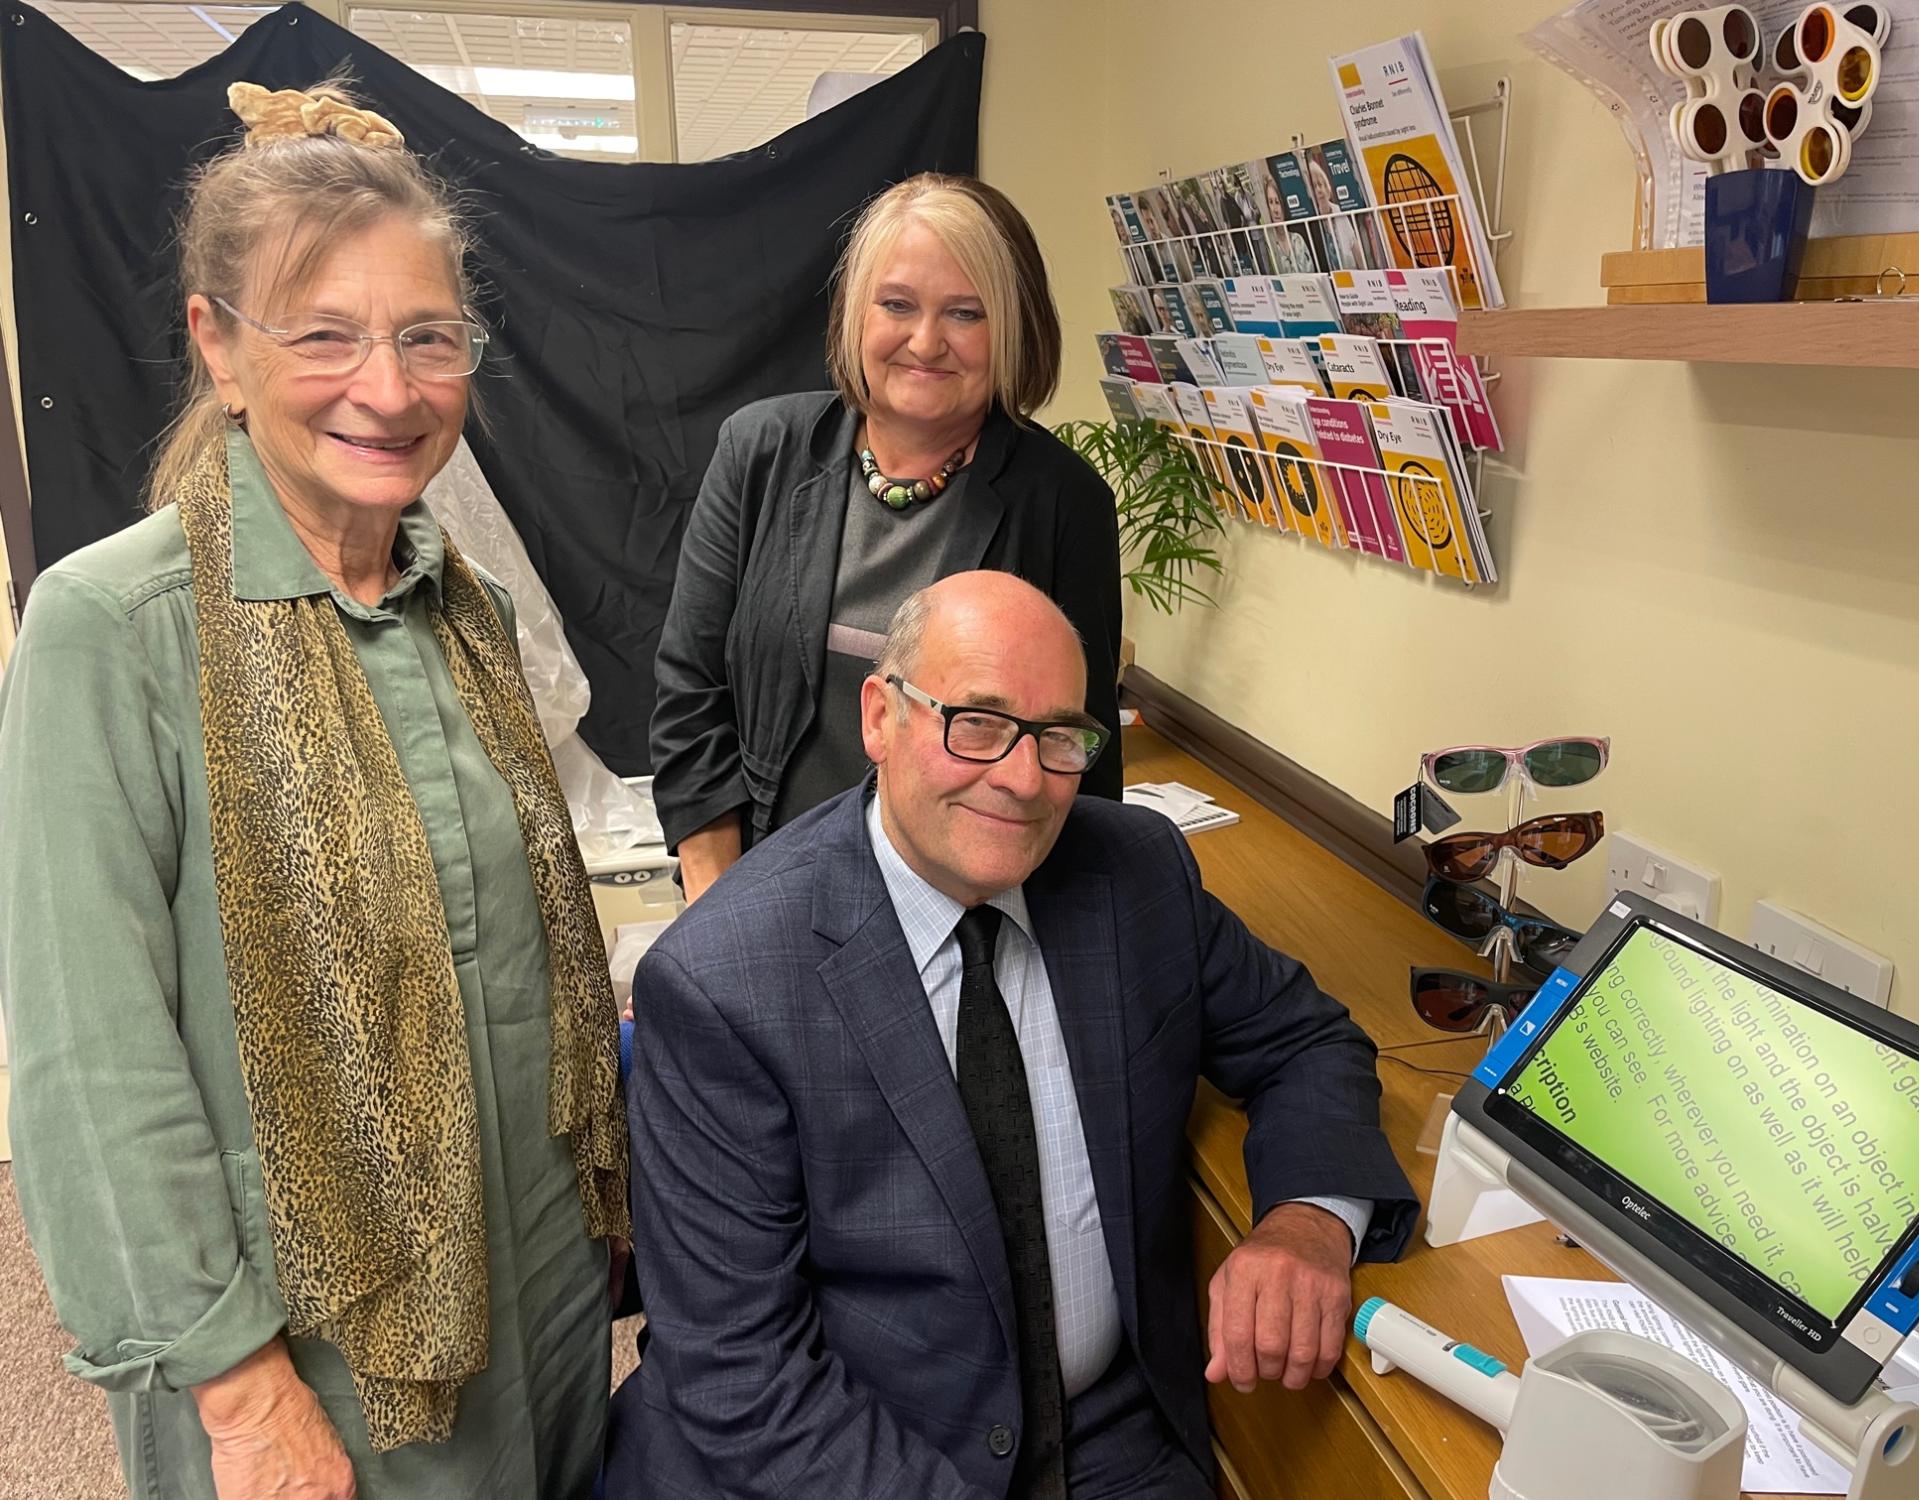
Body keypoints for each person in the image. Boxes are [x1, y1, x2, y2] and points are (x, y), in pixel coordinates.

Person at [0, 80, 628, 1500]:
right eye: (325, 336)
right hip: (314, 1359)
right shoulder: (118, 628)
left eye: (427, 338)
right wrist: (236, 1395)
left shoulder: (454, 600)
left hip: (535, 1297)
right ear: (217, 347)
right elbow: (89, 1075)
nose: (389, 389)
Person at [608, 571, 1417, 1499]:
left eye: (1059, 737)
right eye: (978, 724)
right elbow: (742, 1375)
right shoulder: (723, 979)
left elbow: (1308, 1041)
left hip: (1111, 1441)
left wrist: (1309, 1223)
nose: (1024, 779)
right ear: (881, 717)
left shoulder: (1136, 874)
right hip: (852, 1456)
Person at [649, 173, 1123, 905]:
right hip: (767, 889)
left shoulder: (1062, 501)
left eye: (965, 313)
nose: (925, 342)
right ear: (854, 316)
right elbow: (691, 694)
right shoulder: (759, 452)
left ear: (1013, 327)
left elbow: (1078, 754)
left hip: (969, 908)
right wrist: (717, 912)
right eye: (897, 305)